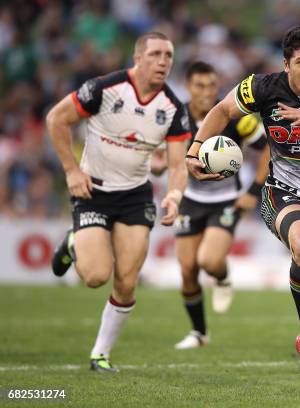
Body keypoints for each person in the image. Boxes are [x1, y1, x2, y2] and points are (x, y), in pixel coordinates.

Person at [185, 25, 300, 388]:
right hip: (281, 190)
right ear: (286, 64)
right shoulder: (262, 87)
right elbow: (222, 112)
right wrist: (195, 149)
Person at [46, 32, 206, 373]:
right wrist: (72, 170)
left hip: (135, 196)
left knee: (127, 281)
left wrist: (175, 196)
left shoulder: (173, 109)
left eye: (169, 56)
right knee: (94, 276)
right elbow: (56, 119)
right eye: (157, 54)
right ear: (139, 57)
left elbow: (178, 166)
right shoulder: (103, 89)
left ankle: (100, 355)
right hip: (92, 191)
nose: (164, 61)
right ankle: (74, 240)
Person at [150, 61, 270, 349]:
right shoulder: (174, 118)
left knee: (209, 261)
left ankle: (223, 277)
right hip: (189, 200)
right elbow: (159, 162)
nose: (206, 92)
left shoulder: (235, 116)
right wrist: (157, 164)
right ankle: (199, 333)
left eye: (212, 86)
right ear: (188, 87)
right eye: (199, 86)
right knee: (188, 269)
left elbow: (268, 149)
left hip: (227, 200)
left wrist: (253, 190)